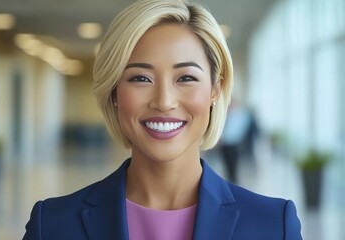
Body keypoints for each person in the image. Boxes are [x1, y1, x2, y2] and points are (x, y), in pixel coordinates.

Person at [23, 0, 302, 239]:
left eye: (186, 78)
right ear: (115, 92)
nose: (164, 101)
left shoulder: (274, 226)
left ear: (215, 90)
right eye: (141, 78)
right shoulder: (51, 225)